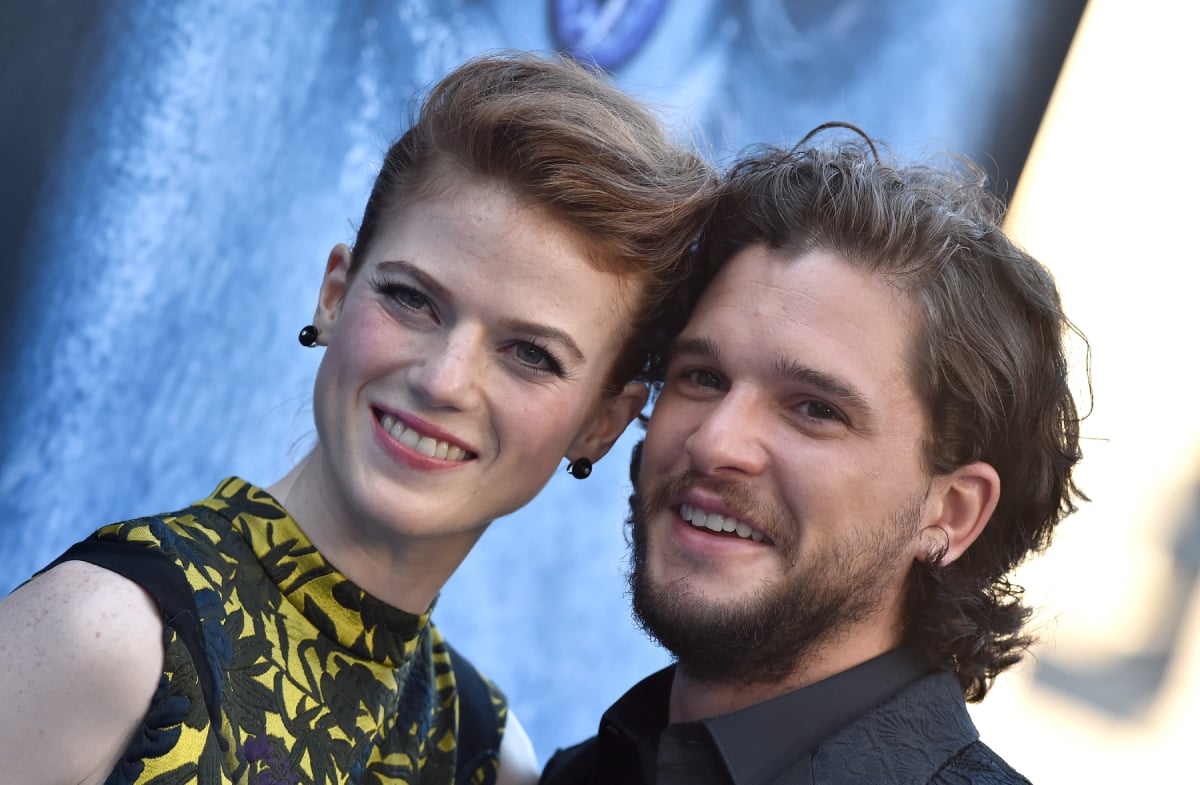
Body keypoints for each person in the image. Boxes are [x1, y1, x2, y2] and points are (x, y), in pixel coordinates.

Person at [0, 52, 716, 785]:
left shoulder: (490, 757)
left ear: (603, 421)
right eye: (412, 299)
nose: (444, 381)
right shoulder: (105, 636)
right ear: (335, 295)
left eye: (530, 353)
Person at [541, 127, 1087, 785]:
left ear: (952, 511)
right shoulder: (581, 772)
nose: (715, 442)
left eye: (815, 409)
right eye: (702, 376)